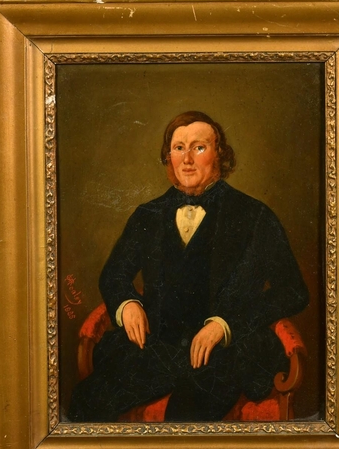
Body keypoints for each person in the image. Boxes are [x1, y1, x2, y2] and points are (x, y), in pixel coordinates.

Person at [68, 111, 309, 422]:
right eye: (178, 148)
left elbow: (293, 291)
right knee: (86, 404)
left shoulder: (255, 216)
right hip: (156, 348)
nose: (187, 160)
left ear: (220, 153)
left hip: (224, 353)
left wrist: (225, 325)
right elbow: (114, 275)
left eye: (199, 147)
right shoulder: (148, 214)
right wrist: (127, 304)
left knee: (187, 417)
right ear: (168, 156)